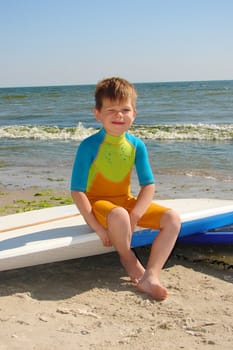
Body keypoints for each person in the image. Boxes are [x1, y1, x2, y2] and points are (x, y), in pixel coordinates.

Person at [70, 77, 181, 300]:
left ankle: (151, 275)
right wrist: (98, 229)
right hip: (98, 207)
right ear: (97, 114)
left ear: (134, 114)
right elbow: (77, 191)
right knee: (120, 214)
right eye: (111, 110)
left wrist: (137, 213)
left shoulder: (136, 145)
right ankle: (127, 257)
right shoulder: (89, 146)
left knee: (172, 219)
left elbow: (148, 185)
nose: (118, 115)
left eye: (125, 109)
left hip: (124, 201)